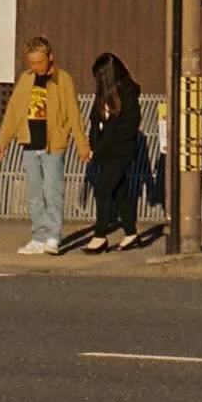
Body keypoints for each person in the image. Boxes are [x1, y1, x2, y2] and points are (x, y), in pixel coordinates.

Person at [0, 35, 91, 256]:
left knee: (52, 191)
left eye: (39, 62)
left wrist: (82, 145)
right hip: (30, 143)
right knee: (35, 194)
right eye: (32, 62)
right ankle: (38, 236)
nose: (36, 66)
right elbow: (13, 112)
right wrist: (3, 141)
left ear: (50, 57)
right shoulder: (26, 79)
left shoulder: (62, 79)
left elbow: (73, 113)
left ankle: (53, 236)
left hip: (53, 144)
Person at [86, 52, 141, 252]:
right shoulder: (102, 95)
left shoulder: (127, 93)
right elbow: (95, 122)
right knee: (120, 192)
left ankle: (100, 235)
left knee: (103, 189)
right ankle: (130, 233)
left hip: (120, 152)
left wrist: (105, 142)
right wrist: (93, 145)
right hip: (105, 151)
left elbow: (128, 126)